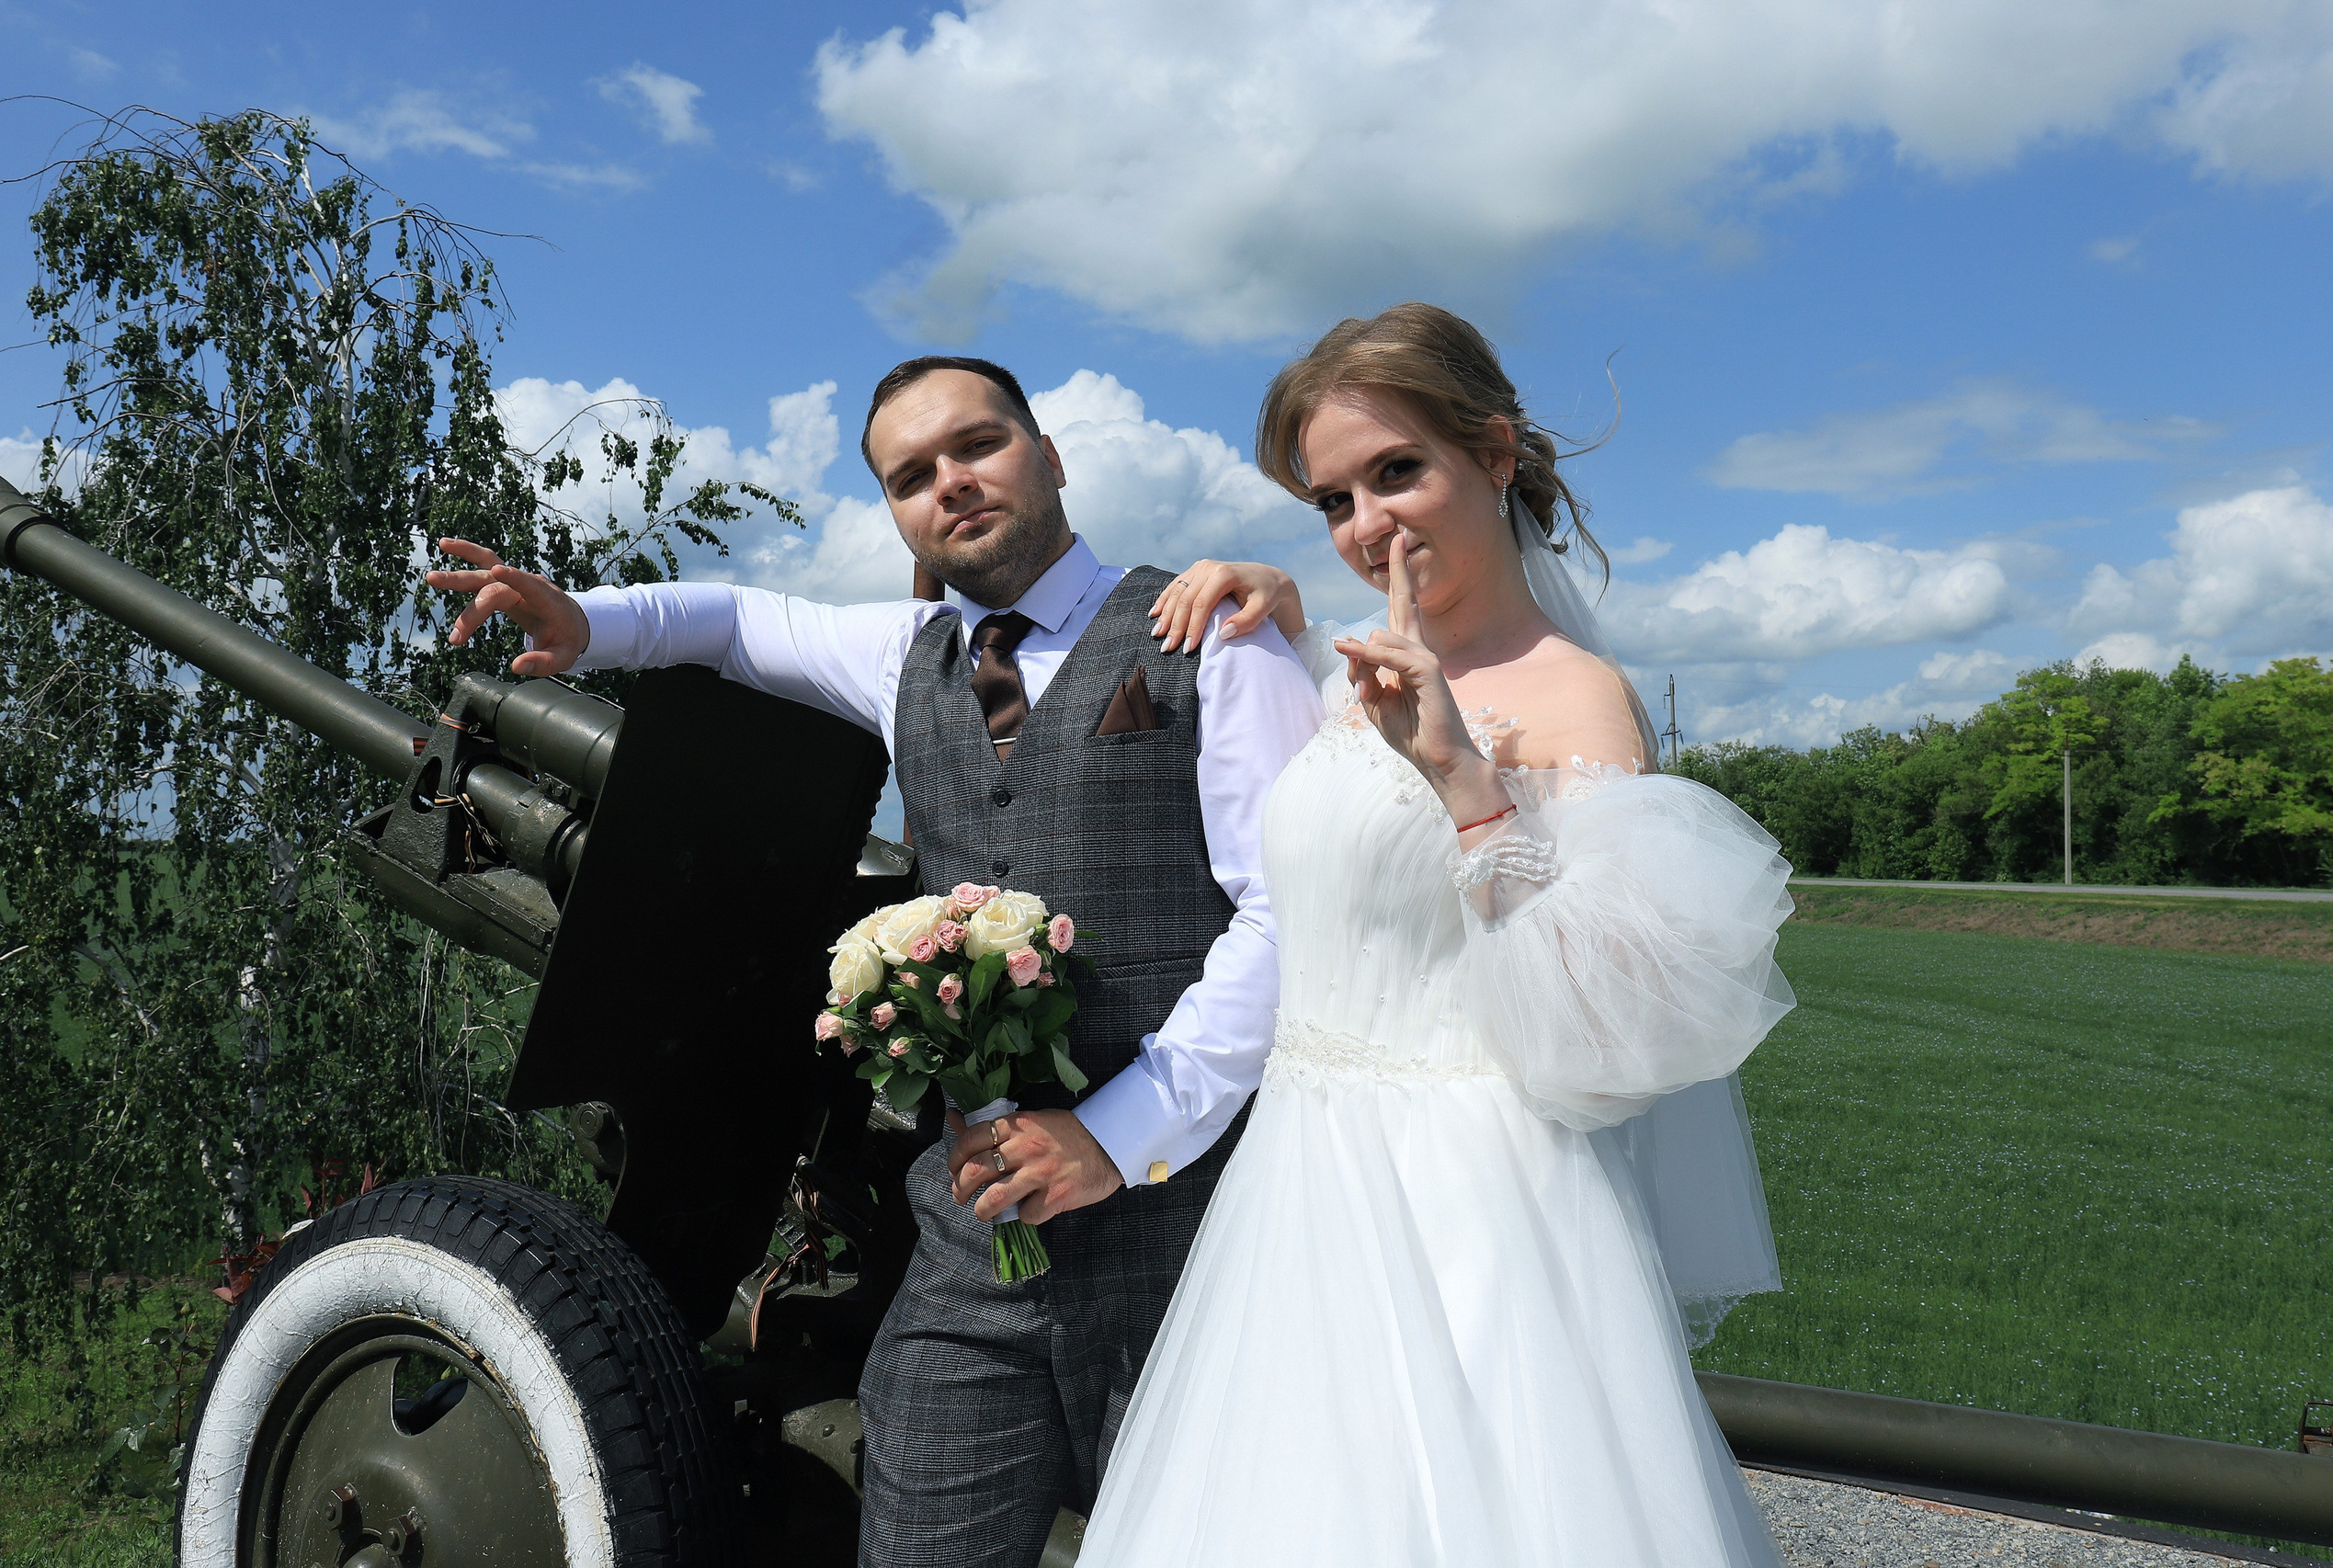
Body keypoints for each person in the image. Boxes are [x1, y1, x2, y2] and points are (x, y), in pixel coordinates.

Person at [424, 357, 1325, 1568]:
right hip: (971, 1259)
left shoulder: (1214, 635)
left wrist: (1116, 1137)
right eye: (911, 477)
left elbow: (1289, 920)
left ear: (1051, 456)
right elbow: (739, 624)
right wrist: (591, 625)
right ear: (898, 513)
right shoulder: (906, 655)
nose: (949, 483)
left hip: (1191, 1244)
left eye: (978, 445)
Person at [1075, 303, 1794, 1566]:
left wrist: (1468, 784)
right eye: (1333, 500)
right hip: (1302, 1191)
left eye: (1398, 471)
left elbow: (1614, 1028)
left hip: (1475, 1206)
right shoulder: (1353, 673)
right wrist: (1296, 620)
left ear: (1496, 453)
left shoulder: (1575, 697)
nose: (1368, 525)